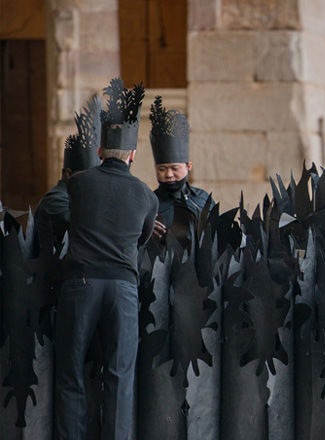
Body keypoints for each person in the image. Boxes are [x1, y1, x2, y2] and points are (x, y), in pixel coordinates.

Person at [54, 78, 157, 440]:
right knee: (119, 375)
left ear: (98, 151)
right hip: (123, 288)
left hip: (80, 283)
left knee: (71, 373)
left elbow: (65, 217)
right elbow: (142, 240)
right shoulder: (147, 196)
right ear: (132, 156)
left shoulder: (79, 183)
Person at [36, 95, 101, 249]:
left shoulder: (80, 198)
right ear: (67, 174)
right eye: (86, 175)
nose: (92, 181)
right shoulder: (54, 201)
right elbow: (87, 228)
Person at [149, 96, 212, 243]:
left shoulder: (203, 199)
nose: (169, 175)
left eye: (174, 168)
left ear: (189, 166)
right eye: (162, 169)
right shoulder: (149, 203)